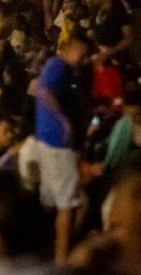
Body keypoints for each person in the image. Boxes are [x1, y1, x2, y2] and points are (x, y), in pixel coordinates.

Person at [23, 29, 90, 262]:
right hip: (58, 146)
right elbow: (44, 92)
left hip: (49, 144)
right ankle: (61, 259)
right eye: (83, 53)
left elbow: (35, 90)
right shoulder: (59, 65)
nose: (85, 58)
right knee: (68, 205)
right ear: (72, 48)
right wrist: (64, 121)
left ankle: (47, 249)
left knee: (58, 202)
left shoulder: (61, 68)